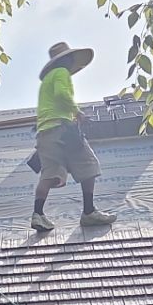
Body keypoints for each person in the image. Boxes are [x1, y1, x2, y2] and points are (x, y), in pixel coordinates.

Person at [29, 41, 116, 231]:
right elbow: (61, 95)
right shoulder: (61, 73)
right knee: (88, 164)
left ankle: (38, 214)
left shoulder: (47, 80)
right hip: (63, 129)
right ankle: (89, 212)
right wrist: (78, 113)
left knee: (49, 173)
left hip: (45, 133)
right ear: (67, 60)